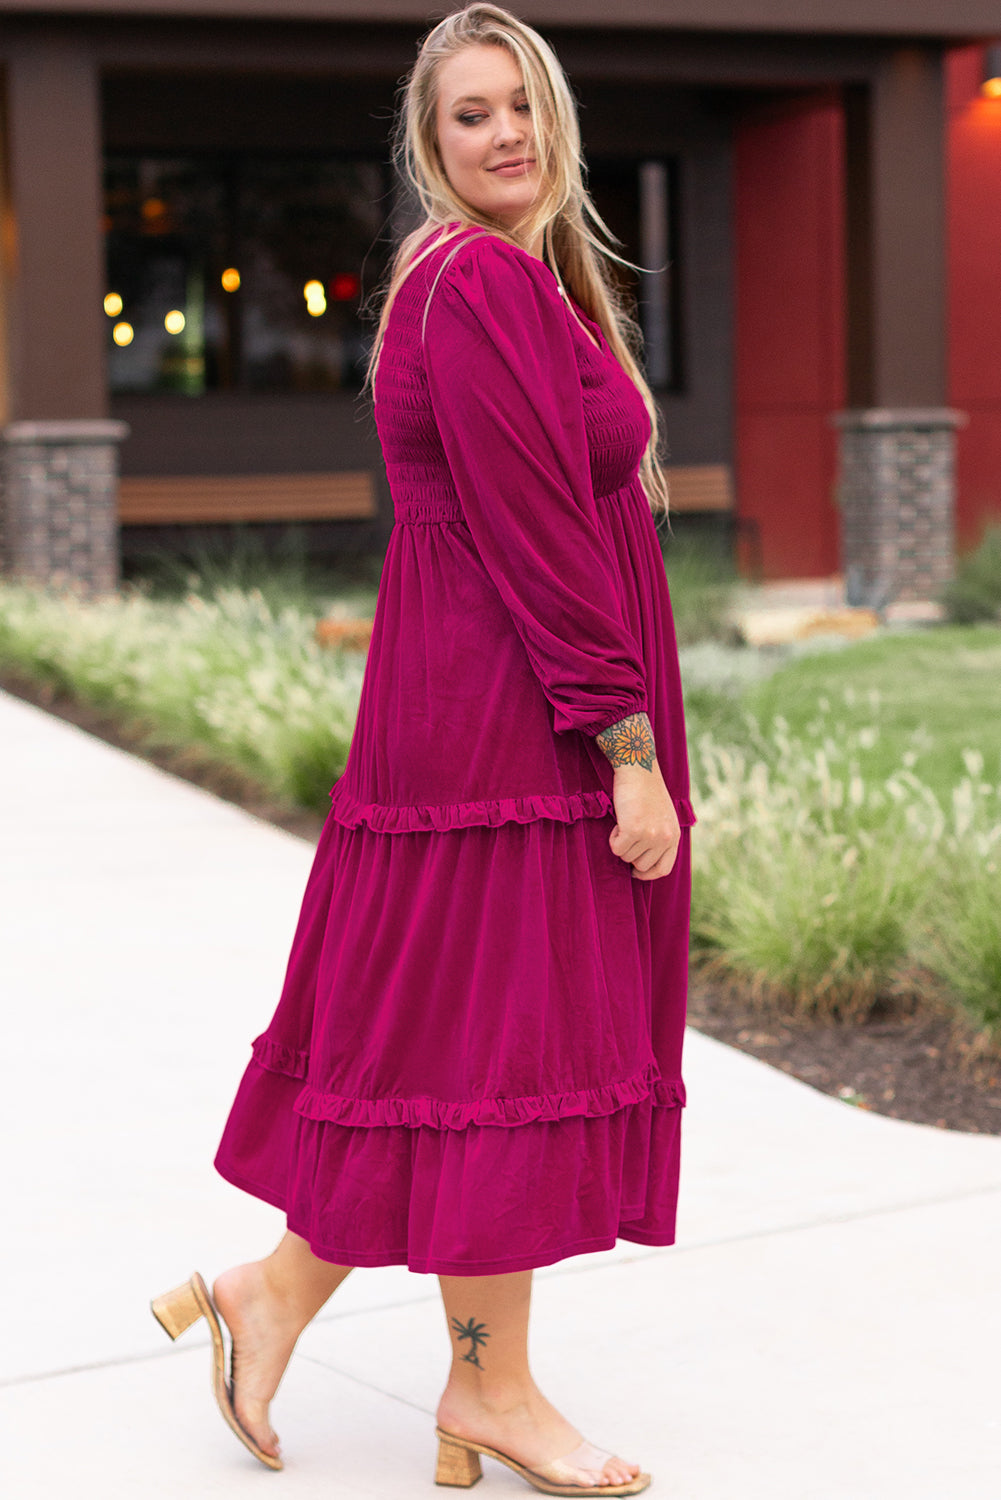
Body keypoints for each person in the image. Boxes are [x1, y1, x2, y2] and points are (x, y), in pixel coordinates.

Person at [151, 6, 694, 1495]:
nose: (504, 131)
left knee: (464, 1050)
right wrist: (625, 745)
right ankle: (488, 1391)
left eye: (521, 104)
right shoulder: (477, 288)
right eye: (469, 114)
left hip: (483, 712)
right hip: (513, 725)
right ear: (430, 143)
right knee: (503, 1045)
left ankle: (298, 1305)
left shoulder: (509, 283)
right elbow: (531, 536)